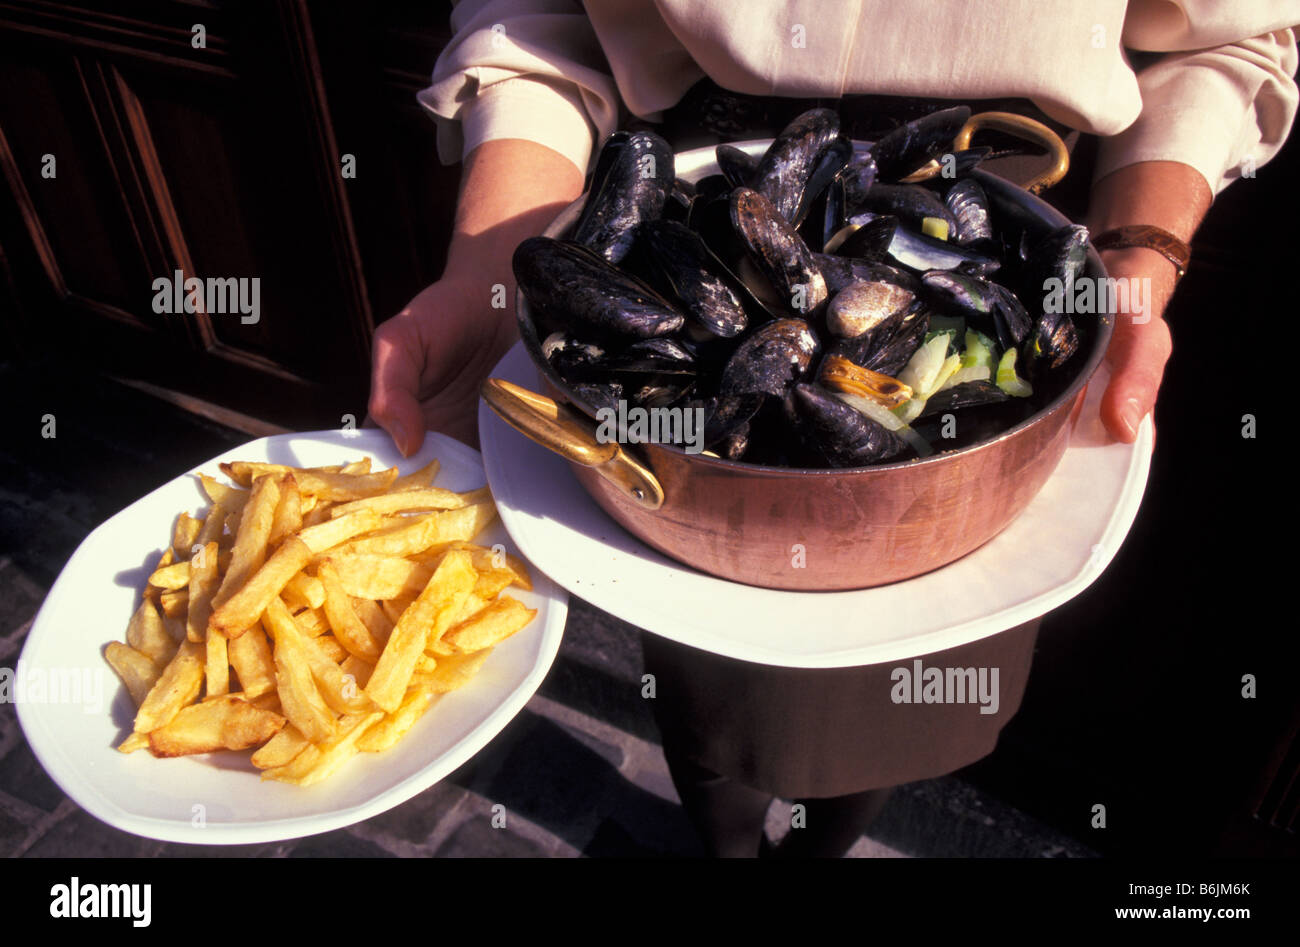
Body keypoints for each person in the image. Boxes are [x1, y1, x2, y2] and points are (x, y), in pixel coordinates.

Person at [368, 1, 1299, 856]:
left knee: (900, 713)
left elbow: (1226, 38)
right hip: (691, 275)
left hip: (982, 311)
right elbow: (534, 17)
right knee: (711, 706)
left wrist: (1144, 253)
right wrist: (492, 269)